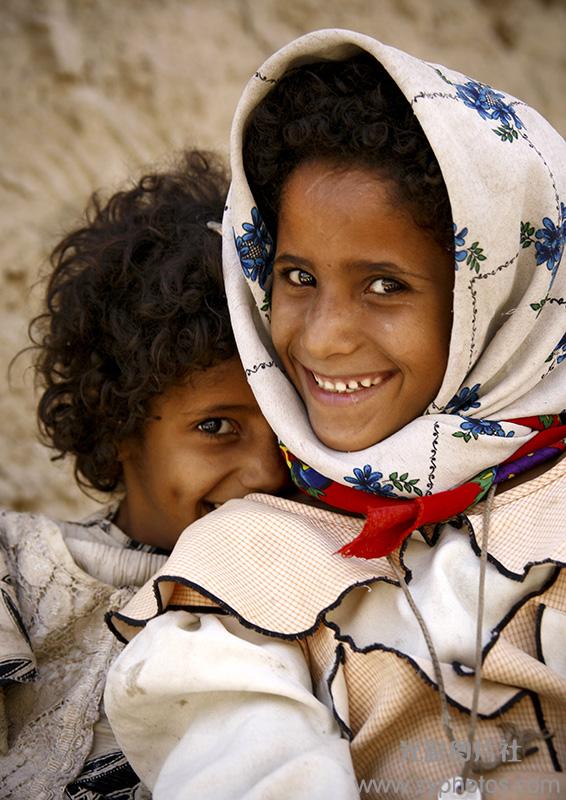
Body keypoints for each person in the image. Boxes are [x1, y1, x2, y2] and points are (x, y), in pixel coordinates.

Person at [104, 31, 566, 800]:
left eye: (384, 285)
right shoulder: (242, 563)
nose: (322, 337)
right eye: (296, 276)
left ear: (503, 297)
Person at [0, 149, 288, 799]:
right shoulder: (15, 572)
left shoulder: (329, 601)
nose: (268, 472)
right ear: (120, 423)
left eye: (291, 429)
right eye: (216, 426)